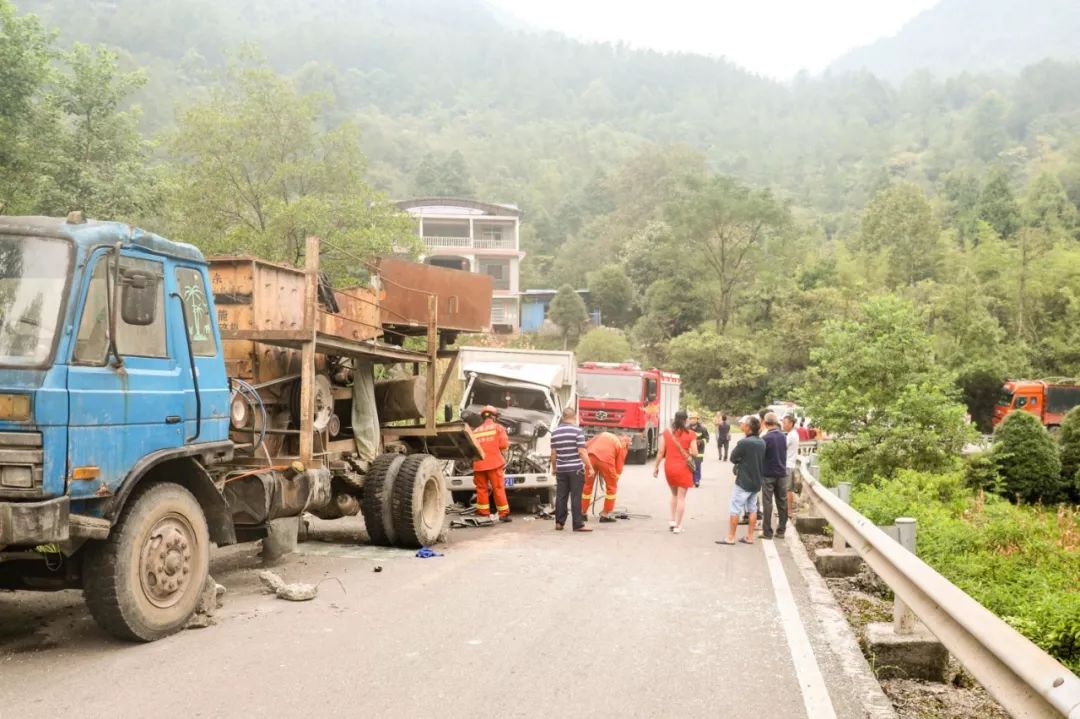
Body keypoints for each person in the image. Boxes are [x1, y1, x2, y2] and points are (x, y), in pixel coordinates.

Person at [717, 415, 765, 545]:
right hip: (756, 481)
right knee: (752, 509)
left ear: (748, 428)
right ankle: (749, 537)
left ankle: (731, 537)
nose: (742, 425)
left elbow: (733, 458)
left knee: (735, 508)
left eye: (744, 424)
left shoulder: (744, 442)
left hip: (743, 481)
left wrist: (741, 461)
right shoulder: (762, 442)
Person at [549, 407, 594, 532]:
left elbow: (553, 453)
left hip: (561, 469)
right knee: (576, 496)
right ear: (574, 417)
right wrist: (589, 467)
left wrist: (554, 468)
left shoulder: (555, 432)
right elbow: (582, 452)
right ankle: (578, 524)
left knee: (561, 496)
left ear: (563, 417)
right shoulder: (577, 431)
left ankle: (559, 522)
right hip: (575, 470)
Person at [653, 409, 696, 533]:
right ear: (686, 420)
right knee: (681, 498)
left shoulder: (667, 433)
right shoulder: (691, 434)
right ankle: (677, 526)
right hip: (683, 468)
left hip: (669, 468)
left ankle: (672, 520)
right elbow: (695, 452)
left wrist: (656, 467)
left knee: (674, 495)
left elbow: (661, 452)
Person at [470, 405, 512, 522]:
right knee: (498, 488)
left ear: (482, 417)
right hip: (494, 464)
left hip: (479, 465)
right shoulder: (498, 428)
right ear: (494, 417)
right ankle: (503, 514)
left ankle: (484, 514)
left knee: (481, 489)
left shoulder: (475, 431)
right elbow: (503, 446)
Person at [581, 432, 630, 522]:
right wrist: (613, 480)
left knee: (587, 486)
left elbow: (585, 445)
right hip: (606, 460)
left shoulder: (603, 435)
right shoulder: (622, 445)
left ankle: (582, 513)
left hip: (590, 457)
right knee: (612, 488)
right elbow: (619, 468)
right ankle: (605, 514)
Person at [760, 412, 789, 539]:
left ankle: (767, 531)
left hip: (768, 474)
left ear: (765, 424)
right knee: (782, 501)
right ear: (776, 423)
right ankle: (781, 530)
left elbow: (762, 457)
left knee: (767, 502)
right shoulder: (783, 437)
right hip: (782, 473)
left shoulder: (765, 439)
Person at [783, 413, 800, 521]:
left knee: (787, 490)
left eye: (784, 423)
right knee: (787, 489)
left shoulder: (791, 435)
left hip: (788, 465)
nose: (783, 425)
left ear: (791, 423)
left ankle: (789, 511)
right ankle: (787, 510)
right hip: (790, 464)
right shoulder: (792, 434)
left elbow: (782, 447)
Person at [688, 412, 710, 487]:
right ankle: (691, 480)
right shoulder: (686, 429)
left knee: (697, 465)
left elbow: (707, 439)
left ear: (697, 419)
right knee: (689, 465)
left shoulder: (702, 429)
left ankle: (697, 480)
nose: (692, 420)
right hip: (689, 450)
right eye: (691, 418)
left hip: (699, 451)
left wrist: (701, 441)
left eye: (694, 418)